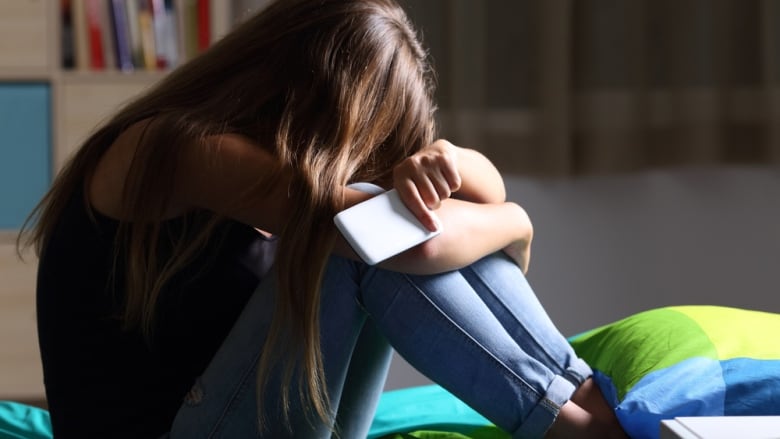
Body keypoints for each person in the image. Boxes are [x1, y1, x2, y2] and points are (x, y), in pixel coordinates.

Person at [19, 0, 628, 437]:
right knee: (370, 240)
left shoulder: (281, 170)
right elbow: (407, 248)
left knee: (381, 227)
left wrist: (450, 160)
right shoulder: (180, 149)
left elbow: (466, 212)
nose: (365, 161)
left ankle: (580, 396)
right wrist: (518, 220)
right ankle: (573, 418)